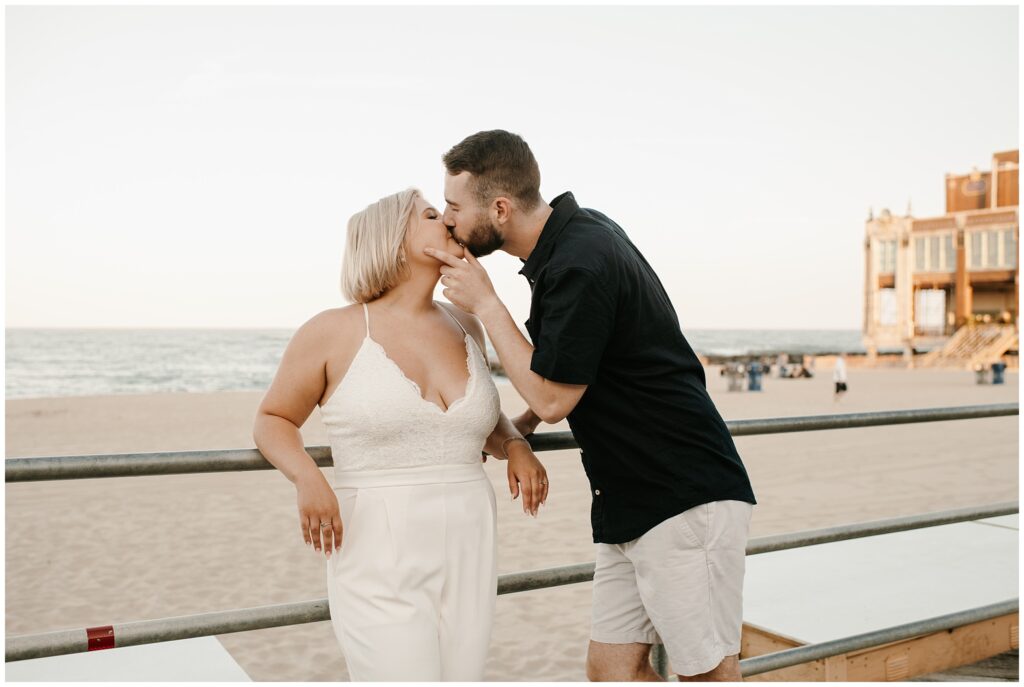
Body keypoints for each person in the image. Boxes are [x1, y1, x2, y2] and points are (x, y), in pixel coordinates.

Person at [427, 130, 757, 682]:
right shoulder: (578, 237)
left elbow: (555, 397)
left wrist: (486, 303)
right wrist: (521, 427)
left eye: (456, 206)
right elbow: (576, 362)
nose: (448, 219)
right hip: (631, 498)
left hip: (680, 495)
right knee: (612, 672)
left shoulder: (579, 261)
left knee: (708, 674)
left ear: (500, 209)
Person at [252, 188, 549, 681]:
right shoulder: (332, 330)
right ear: (392, 239)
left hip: (470, 538)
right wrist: (308, 479)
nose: (451, 223)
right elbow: (273, 419)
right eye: (433, 215)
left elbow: (474, 421)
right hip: (376, 542)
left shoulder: (466, 325)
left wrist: (515, 443)